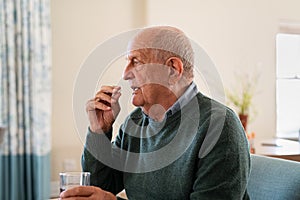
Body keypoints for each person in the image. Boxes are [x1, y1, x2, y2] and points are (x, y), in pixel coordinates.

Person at [60, 26, 251, 200]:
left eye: (136, 62)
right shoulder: (135, 121)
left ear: (173, 70)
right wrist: (99, 132)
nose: (125, 74)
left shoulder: (219, 126)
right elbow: (102, 186)